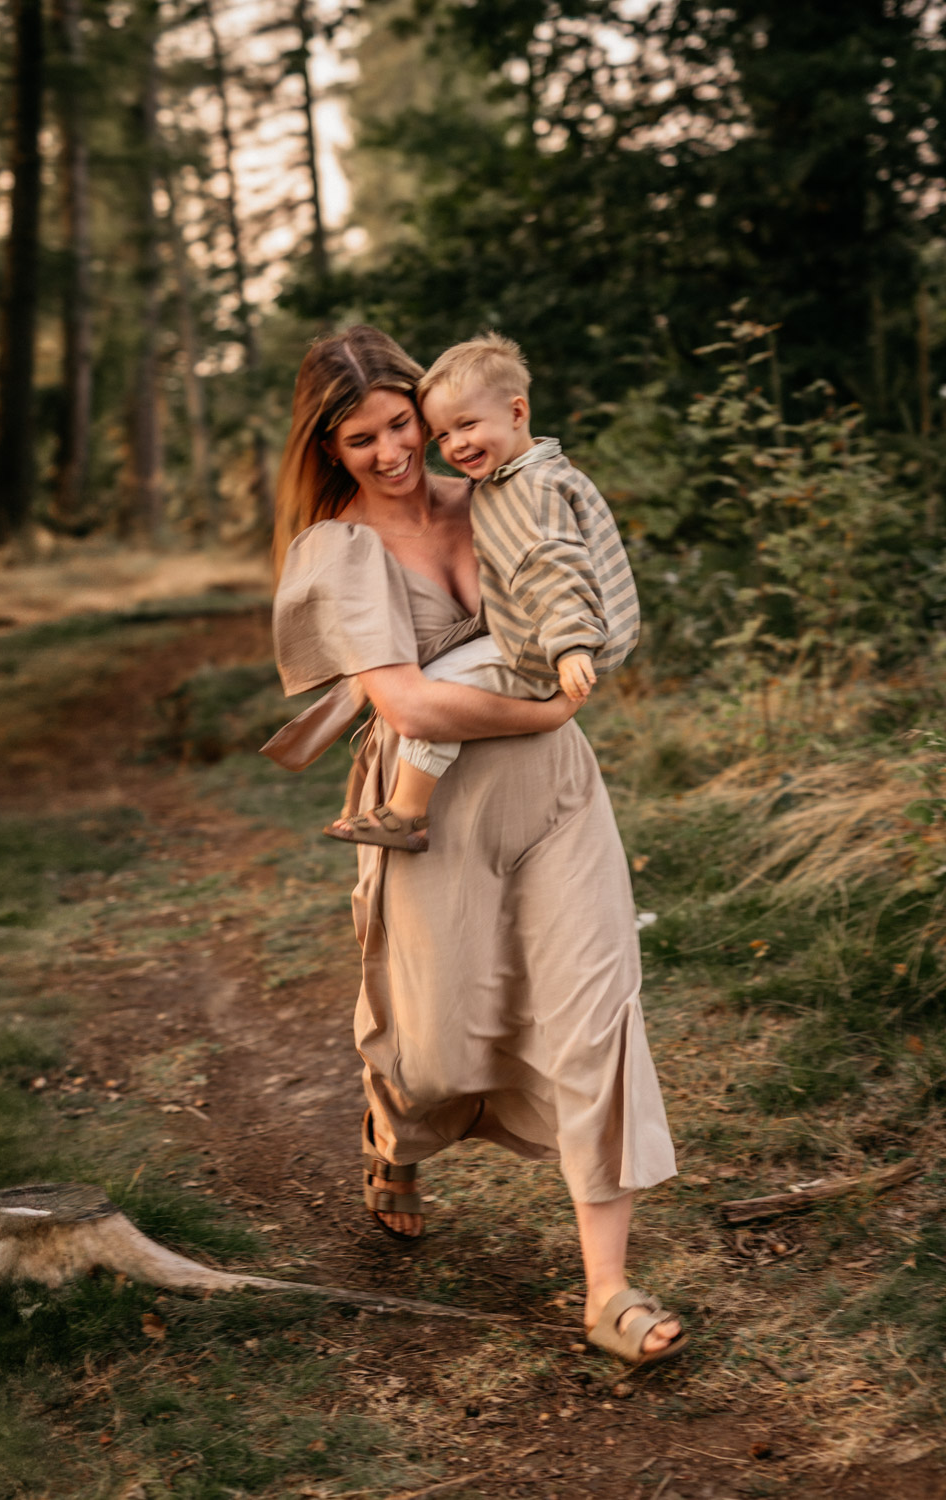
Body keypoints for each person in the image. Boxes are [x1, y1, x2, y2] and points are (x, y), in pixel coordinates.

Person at [267, 324, 686, 1367]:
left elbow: (578, 591)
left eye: (399, 424)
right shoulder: (338, 550)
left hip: (554, 801)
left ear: (425, 408)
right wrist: (548, 712)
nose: (392, 452)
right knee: (438, 1036)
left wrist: (579, 656)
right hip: (430, 816)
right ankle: (392, 1134)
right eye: (359, 440)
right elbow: (406, 698)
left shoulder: (499, 489)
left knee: (596, 1020)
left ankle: (608, 1291)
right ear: (329, 450)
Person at [321, 331, 639, 853]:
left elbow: (554, 566)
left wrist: (570, 645)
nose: (456, 446)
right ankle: (407, 809)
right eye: (443, 434)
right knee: (439, 690)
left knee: (443, 682)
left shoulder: (526, 491)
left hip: (544, 643)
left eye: (467, 425)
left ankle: (406, 812)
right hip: (538, 644)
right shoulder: (512, 479)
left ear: (517, 412)